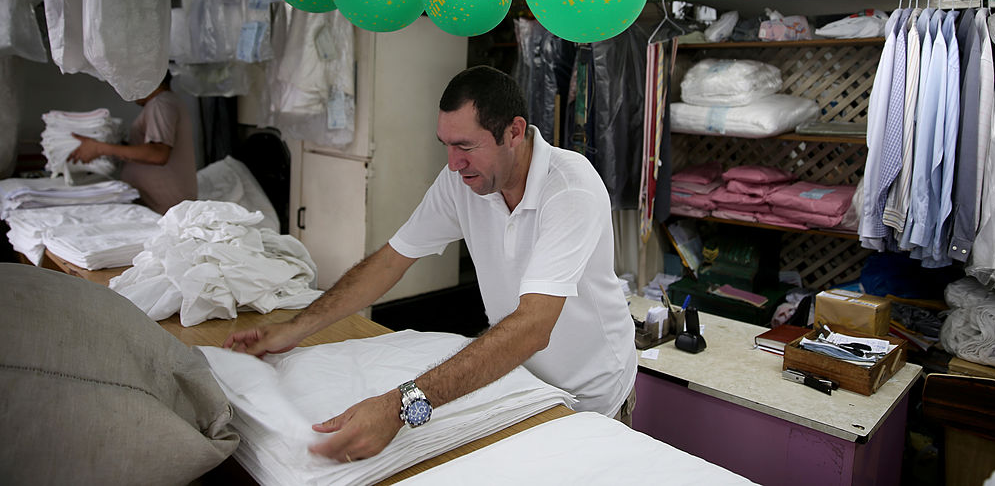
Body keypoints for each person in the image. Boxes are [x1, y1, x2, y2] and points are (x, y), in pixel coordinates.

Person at [223, 66, 638, 463]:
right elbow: (390, 261)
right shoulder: (463, 182)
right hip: (519, 382)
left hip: (591, 393)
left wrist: (399, 407)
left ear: (514, 132)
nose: (454, 162)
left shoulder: (569, 189)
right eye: (446, 145)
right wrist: (293, 329)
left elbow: (532, 327)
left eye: (466, 147)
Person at [68, 71, 197, 214]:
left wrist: (99, 148)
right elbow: (151, 149)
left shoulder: (160, 103)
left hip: (163, 208)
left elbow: (158, 154)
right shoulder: (166, 102)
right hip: (160, 204)